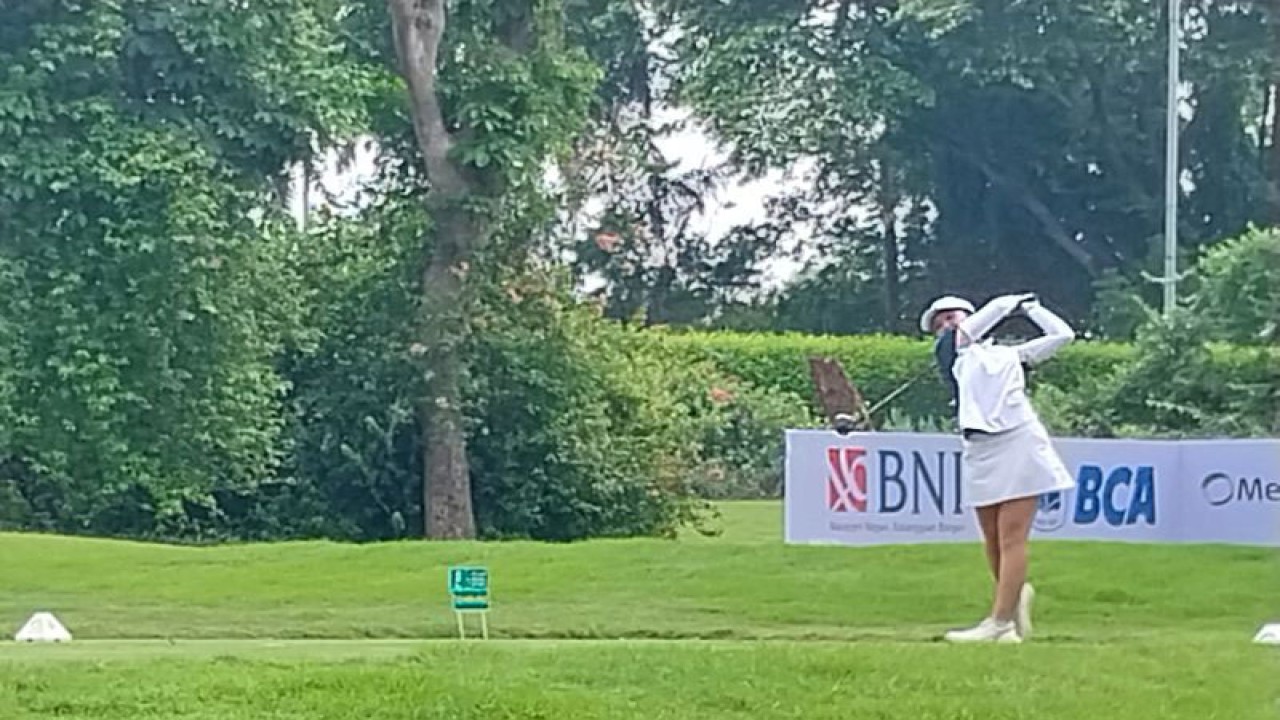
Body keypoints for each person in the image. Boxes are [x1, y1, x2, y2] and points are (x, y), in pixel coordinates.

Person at [918, 292, 1077, 644]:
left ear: (969, 315)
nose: (948, 323)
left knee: (1011, 537)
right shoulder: (949, 351)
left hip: (1019, 441)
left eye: (952, 316)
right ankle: (1015, 596)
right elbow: (976, 324)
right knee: (991, 540)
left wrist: (1032, 308)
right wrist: (1008, 302)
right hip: (980, 448)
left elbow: (1063, 335)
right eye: (939, 321)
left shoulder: (1010, 356)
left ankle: (1000, 623)